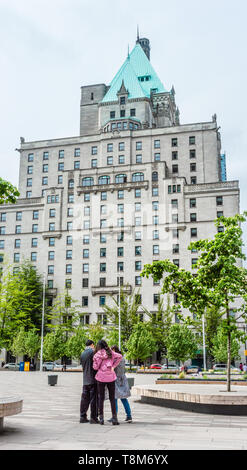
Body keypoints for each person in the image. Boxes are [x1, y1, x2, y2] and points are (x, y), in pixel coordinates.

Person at [93, 339, 122, 425]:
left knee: (101, 398)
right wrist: (113, 366)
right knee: (112, 398)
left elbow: (95, 367)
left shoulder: (97, 354)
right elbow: (120, 356)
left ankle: (101, 418)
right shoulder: (111, 352)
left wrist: (96, 365)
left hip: (101, 377)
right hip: (111, 377)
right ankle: (114, 418)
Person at [109, 345, 132, 423]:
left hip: (116, 380)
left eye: (112, 350)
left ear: (114, 350)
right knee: (124, 398)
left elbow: (111, 368)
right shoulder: (122, 358)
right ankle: (129, 415)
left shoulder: (116, 359)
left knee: (114, 399)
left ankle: (114, 416)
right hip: (122, 379)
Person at [80, 340, 99, 424]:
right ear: (92, 345)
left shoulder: (82, 353)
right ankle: (93, 418)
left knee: (84, 399)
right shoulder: (93, 352)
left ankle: (82, 416)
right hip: (93, 379)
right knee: (93, 400)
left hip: (85, 380)